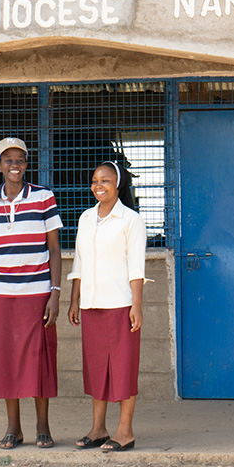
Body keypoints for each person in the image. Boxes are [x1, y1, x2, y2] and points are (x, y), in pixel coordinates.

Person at [0, 137, 63, 449]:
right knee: (6, 359)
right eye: (7, 160)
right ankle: (14, 428)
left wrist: (55, 292)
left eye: (20, 160)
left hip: (37, 292)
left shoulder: (43, 197)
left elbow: (53, 247)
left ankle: (42, 426)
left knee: (40, 359)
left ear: (26, 164)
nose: (14, 165)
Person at [67, 161, 146, 452]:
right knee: (96, 368)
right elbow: (79, 261)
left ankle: (124, 431)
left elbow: (136, 266)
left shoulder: (130, 220)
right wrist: (75, 300)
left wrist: (136, 304)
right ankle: (98, 429)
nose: (99, 185)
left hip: (121, 304)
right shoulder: (86, 218)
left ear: (118, 184)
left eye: (106, 180)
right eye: (95, 181)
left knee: (123, 368)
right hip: (91, 305)